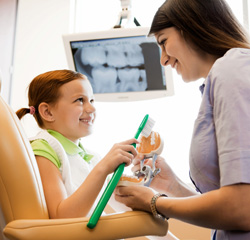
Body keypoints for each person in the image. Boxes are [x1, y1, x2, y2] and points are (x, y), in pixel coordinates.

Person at [114, 0, 250, 239]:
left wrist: (156, 202)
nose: (163, 60)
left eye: (164, 42)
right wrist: (172, 187)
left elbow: (241, 208)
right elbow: (227, 213)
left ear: (192, 25)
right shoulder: (220, 79)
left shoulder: (231, 68)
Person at [16, 69, 138, 218]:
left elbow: (122, 201)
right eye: (80, 100)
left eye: (91, 100)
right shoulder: (44, 149)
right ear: (47, 112)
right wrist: (103, 168)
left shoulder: (90, 157)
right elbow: (62, 217)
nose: (92, 108)